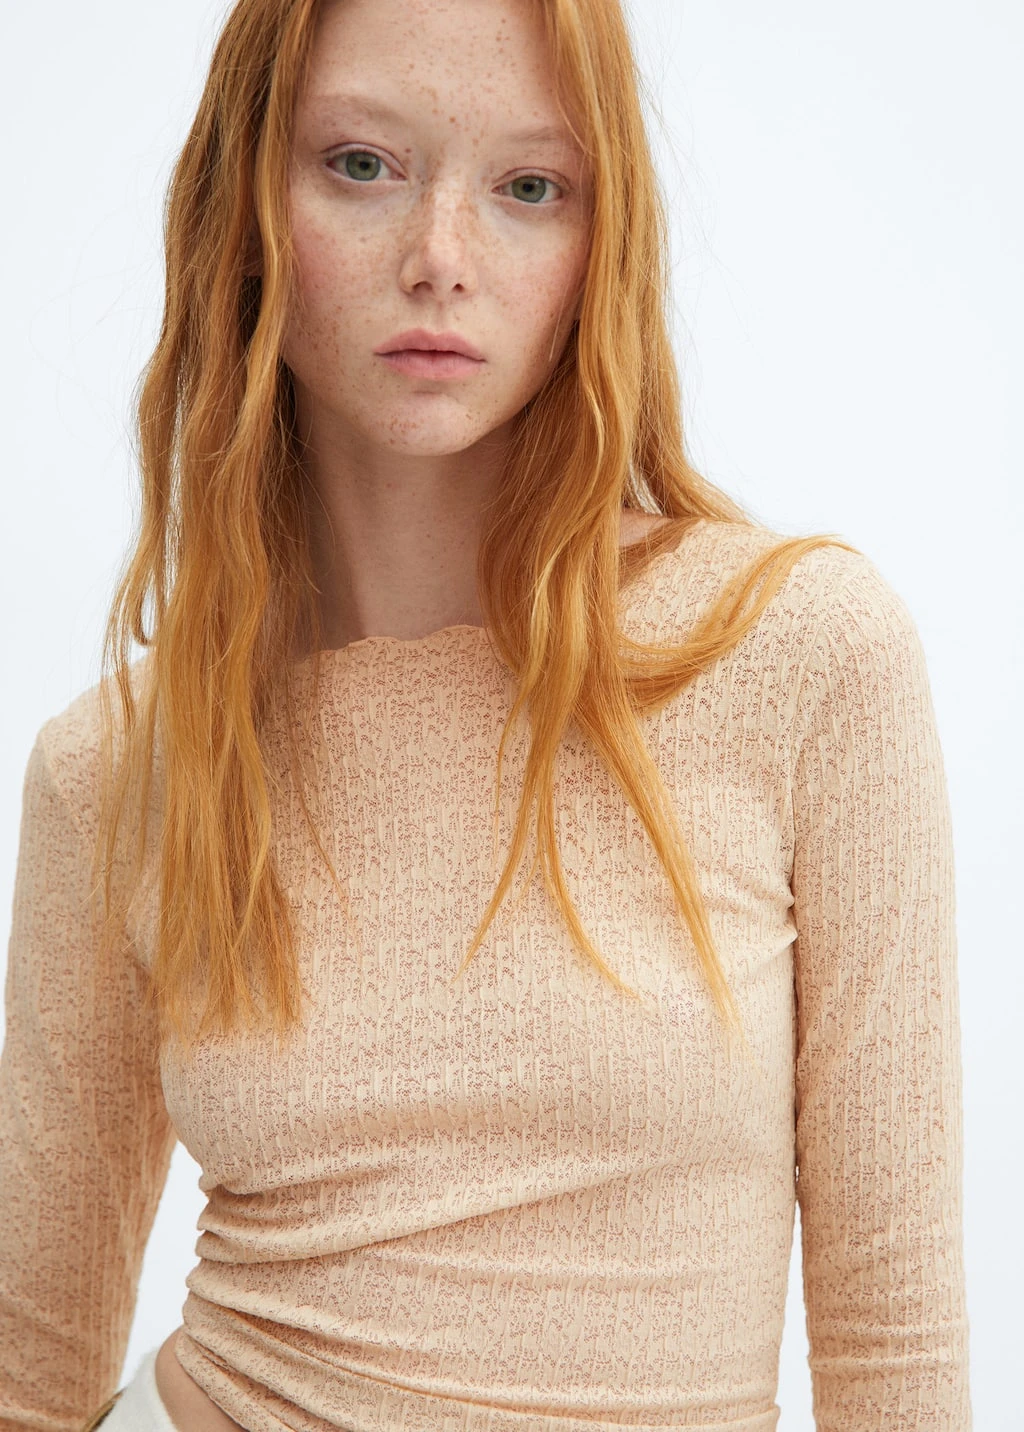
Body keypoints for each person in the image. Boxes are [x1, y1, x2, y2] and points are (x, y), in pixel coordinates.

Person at [0, 0, 972, 1429]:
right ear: (246, 211)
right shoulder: (119, 771)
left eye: (528, 186)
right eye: (361, 165)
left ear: (600, 243)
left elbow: (897, 1354)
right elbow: (28, 1374)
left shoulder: (797, 658)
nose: (440, 257)